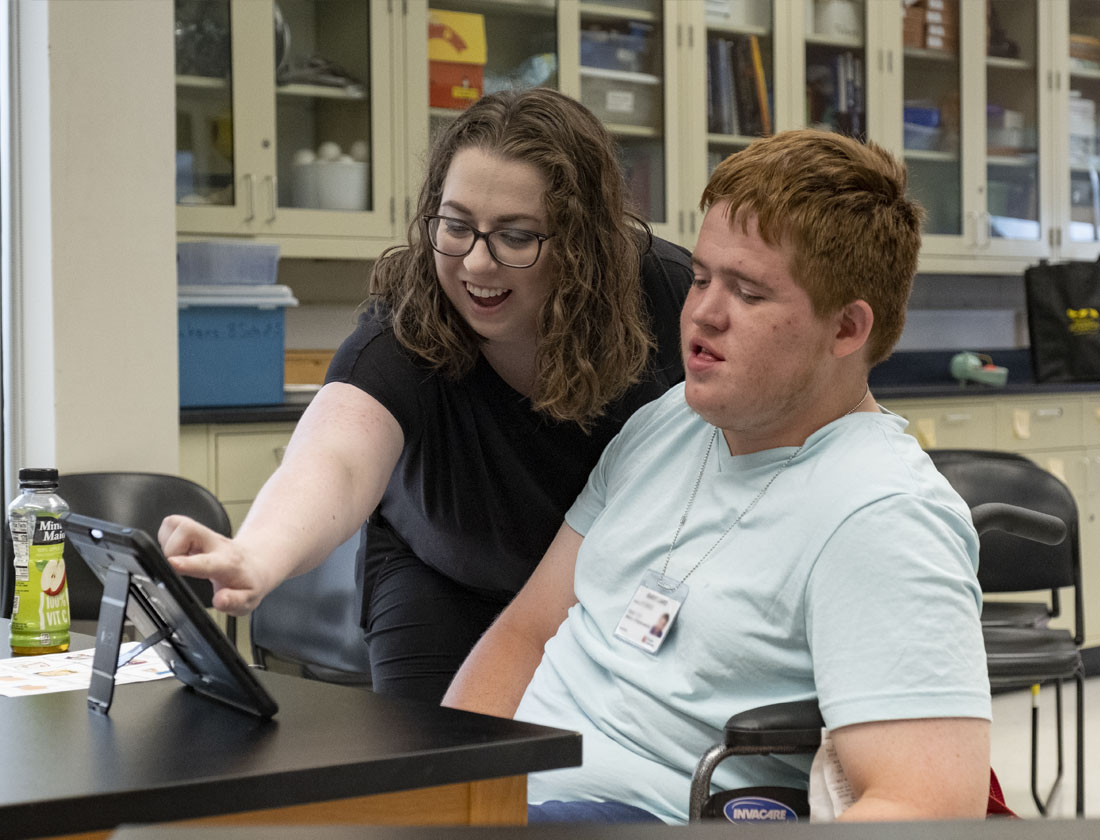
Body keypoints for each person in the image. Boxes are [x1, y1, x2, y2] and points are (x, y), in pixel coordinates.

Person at [443, 129, 992, 824]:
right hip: (509, 793)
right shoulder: (670, 422)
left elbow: (929, 807)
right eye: (701, 277)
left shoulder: (883, 516)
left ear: (848, 329)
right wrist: (440, 793)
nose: (702, 311)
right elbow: (526, 631)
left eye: (749, 292)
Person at [159, 88, 692, 702]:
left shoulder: (663, 295)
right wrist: (256, 554)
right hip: (444, 578)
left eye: (515, 237)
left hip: (613, 580)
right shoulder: (409, 323)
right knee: (430, 772)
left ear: (580, 243)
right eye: (457, 226)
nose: (476, 264)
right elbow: (335, 457)